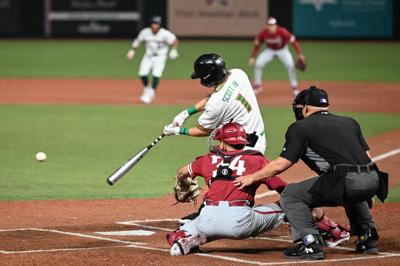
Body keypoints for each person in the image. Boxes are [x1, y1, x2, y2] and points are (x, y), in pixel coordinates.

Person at [234, 86, 387, 260]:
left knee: (291, 194)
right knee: (350, 188)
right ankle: (367, 238)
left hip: (346, 180)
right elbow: (367, 157)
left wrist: (252, 177)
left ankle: (310, 242)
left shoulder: (300, 127)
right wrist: (369, 187)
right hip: (374, 178)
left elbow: (280, 165)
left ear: (305, 108)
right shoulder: (350, 121)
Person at [166, 122, 350, 256]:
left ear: (222, 143)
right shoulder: (256, 159)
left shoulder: (205, 160)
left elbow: (182, 172)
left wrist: (183, 183)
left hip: (206, 218)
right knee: (292, 202)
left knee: (186, 227)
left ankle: (186, 238)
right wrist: (315, 210)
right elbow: (282, 189)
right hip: (240, 223)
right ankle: (332, 232)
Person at [163, 53, 267, 154]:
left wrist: (178, 130)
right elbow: (215, 96)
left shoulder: (215, 104)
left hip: (242, 148)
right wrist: (187, 113)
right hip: (258, 137)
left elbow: (203, 130)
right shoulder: (239, 74)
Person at [126, 15, 179, 104]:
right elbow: (138, 41)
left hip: (160, 57)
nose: (154, 26)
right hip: (148, 56)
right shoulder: (145, 32)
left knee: (156, 74)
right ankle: (147, 89)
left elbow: (175, 41)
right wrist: (132, 50)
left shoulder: (165, 34)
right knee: (142, 73)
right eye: (153, 24)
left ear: (159, 25)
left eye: (156, 24)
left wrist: (174, 50)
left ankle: (151, 92)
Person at [248, 17, 305, 96]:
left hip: (283, 50)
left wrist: (300, 54)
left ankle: (294, 87)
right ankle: (257, 86)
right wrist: (253, 57)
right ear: (267, 26)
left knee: (291, 65)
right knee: (258, 64)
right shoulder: (263, 33)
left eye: (273, 25)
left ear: (276, 25)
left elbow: (293, 42)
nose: (271, 27)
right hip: (269, 50)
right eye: (269, 25)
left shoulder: (283, 32)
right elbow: (257, 45)